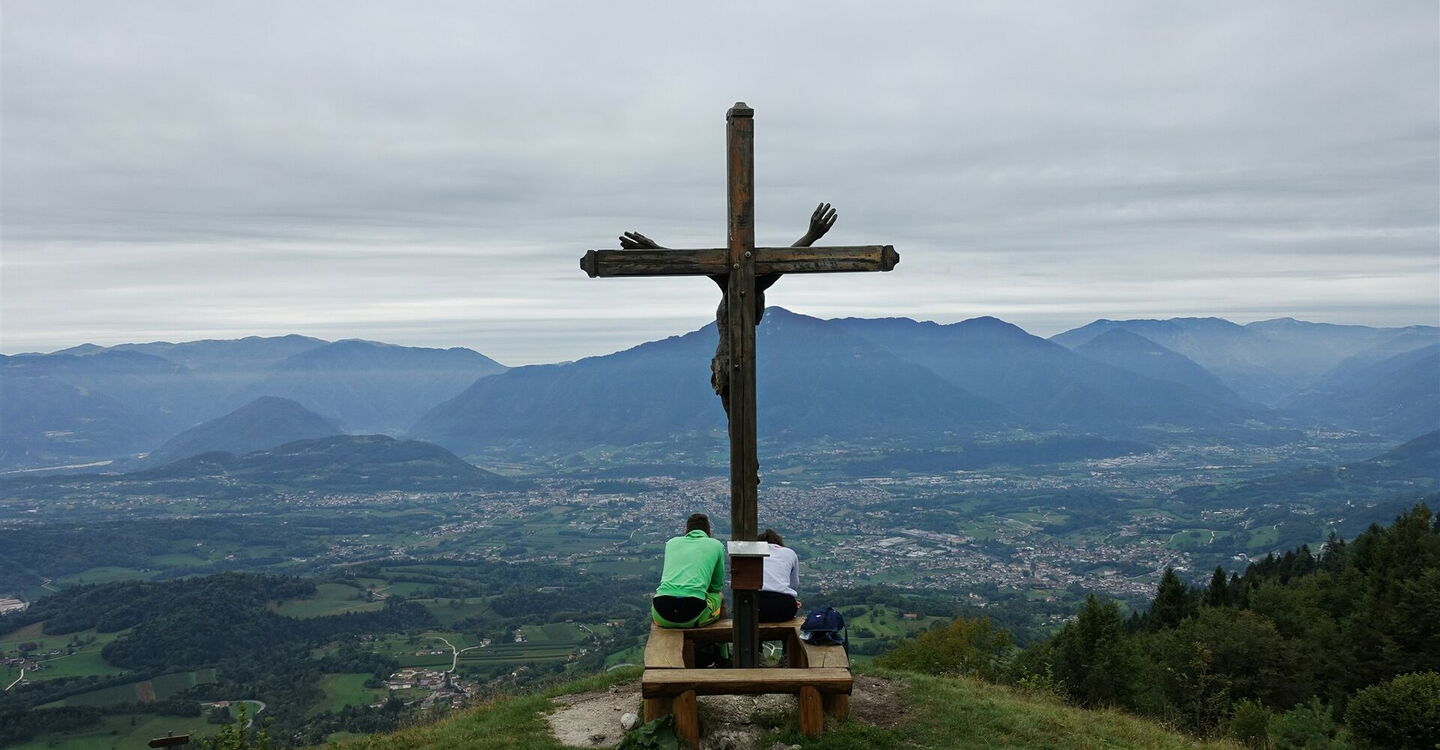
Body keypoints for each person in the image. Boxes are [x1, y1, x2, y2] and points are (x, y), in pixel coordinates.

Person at [620, 202, 838, 414]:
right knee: (736, 420)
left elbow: (778, 267)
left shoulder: (750, 287)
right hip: (728, 364)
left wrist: (810, 237)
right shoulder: (733, 284)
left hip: (735, 363)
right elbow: (695, 265)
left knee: (739, 420)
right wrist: (656, 250)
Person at [651, 513, 727, 628]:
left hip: (660, 614)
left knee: (660, 594)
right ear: (709, 532)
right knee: (719, 596)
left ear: (686, 531)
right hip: (693, 616)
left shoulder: (671, 543)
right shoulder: (716, 545)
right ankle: (723, 638)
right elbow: (716, 587)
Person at [757, 528, 801, 622]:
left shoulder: (753, 553)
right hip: (783, 608)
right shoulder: (789, 553)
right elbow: (794, 585)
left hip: (754, 606)